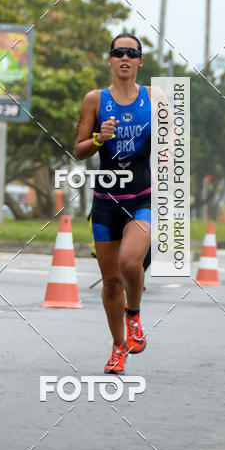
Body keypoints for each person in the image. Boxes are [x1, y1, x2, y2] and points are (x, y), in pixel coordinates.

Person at [74, 33, 151, 374]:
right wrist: (98, 137)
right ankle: (118, 346)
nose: (124, 58)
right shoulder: (95, 100)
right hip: (106, 200)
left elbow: (172, 140)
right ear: (109, 60)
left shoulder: (154, 98)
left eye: (131, 53)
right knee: (110, 283)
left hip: (142, 198)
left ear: (139, 61)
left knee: (131, 262)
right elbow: (78, 150)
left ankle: (133, 314)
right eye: (118, 52)